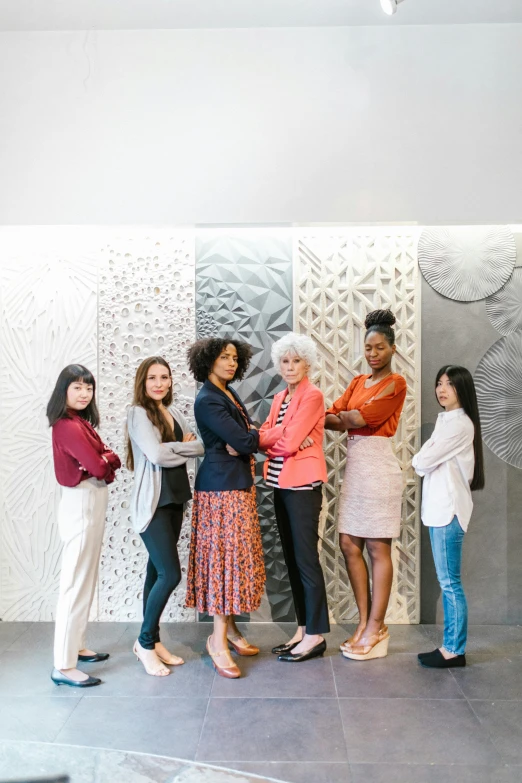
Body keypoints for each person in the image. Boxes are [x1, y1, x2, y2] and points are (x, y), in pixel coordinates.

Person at [325, 309, 407, 661]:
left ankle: (377, 626)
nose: (373, 354)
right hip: (356, 467)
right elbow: (332, 416)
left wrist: (344, 418)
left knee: (377, 547)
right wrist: (341, 418)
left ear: (392, 349)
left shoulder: (396, 383)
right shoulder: (359, 383)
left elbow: (356, 418)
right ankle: (364, 623)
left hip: (379, 467)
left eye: (379, 348)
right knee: (347, 543)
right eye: (368, 348)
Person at [186, 337, 265, 679]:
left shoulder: (228, 393)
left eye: (235, 358)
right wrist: (247, 441)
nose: (231, 363)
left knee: (234, 558)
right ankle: (216, 642)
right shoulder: (207, 398)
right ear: (208, 361)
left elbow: (246, 438)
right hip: (220, 490)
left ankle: (229, 631)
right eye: (224, 357)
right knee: (224, 562)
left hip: (236, 485)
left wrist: (246, 440)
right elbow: (245, 439)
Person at [127, 356, 204, 677]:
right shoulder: (138, 413)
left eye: (164, 377)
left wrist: (173, 446)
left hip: (176, 501)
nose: (159, 383)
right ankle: (145, 643)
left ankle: (153, 640)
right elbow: (156, 454)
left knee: (154, 572)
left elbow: (200, 446)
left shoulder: (172, 412)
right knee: (170, 575)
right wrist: (177, 446)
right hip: (154, 505)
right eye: (152, 378)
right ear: (143, 383)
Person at [47, 364, 121, 688]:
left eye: (88, 388)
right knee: (74, 583)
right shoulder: (65, 426)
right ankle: (62, 666)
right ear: (63, 390)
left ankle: (75, 646)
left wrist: (104, 460)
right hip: (79, 504)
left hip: (90, 501)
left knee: (85, 580)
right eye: (76, 386)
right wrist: (103, 460)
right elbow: (97, 464)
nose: (83, 393)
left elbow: (104, 461)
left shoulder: (81, 424)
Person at [259, 333, 330, 662]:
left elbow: (286, 444)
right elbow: (266, 436)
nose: (289, 367)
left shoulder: (312, 396)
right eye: (285, 361)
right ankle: (303, 629)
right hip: (279, 483)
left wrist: (285, 439)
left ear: (307, 363)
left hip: (302, 486)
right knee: (291, 560)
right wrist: (283, 437)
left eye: (296, 360)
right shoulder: (278, 398)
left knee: (305, 561)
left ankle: (315, 635)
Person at [413, 366, 485, 668]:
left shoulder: (459, 425)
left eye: (450, 384)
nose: (442, 389)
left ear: (462, 389)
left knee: (449, 583)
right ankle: (451, 646)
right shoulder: (447, 422)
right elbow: (424, 463)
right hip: (439, 509)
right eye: (439, 382)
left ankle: (454, 650)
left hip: (448, 510)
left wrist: (424, 457)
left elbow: (421, 461)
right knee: (448, 582)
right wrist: (425, 458)